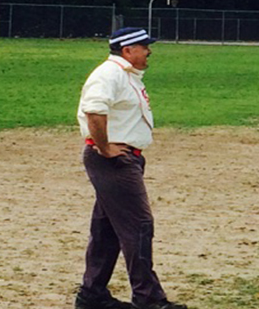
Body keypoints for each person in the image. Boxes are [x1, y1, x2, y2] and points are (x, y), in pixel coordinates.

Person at [75, 27, 187, 309]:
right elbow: (94, 111)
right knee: (139, 226)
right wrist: (104, 147)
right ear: (127, 50)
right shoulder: (110, 74)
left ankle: (92, 295)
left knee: (107, 229)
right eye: (144, 46)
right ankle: (148, 298)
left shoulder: (126, 76)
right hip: (114, 161)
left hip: (123, 158)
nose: (149, 51)